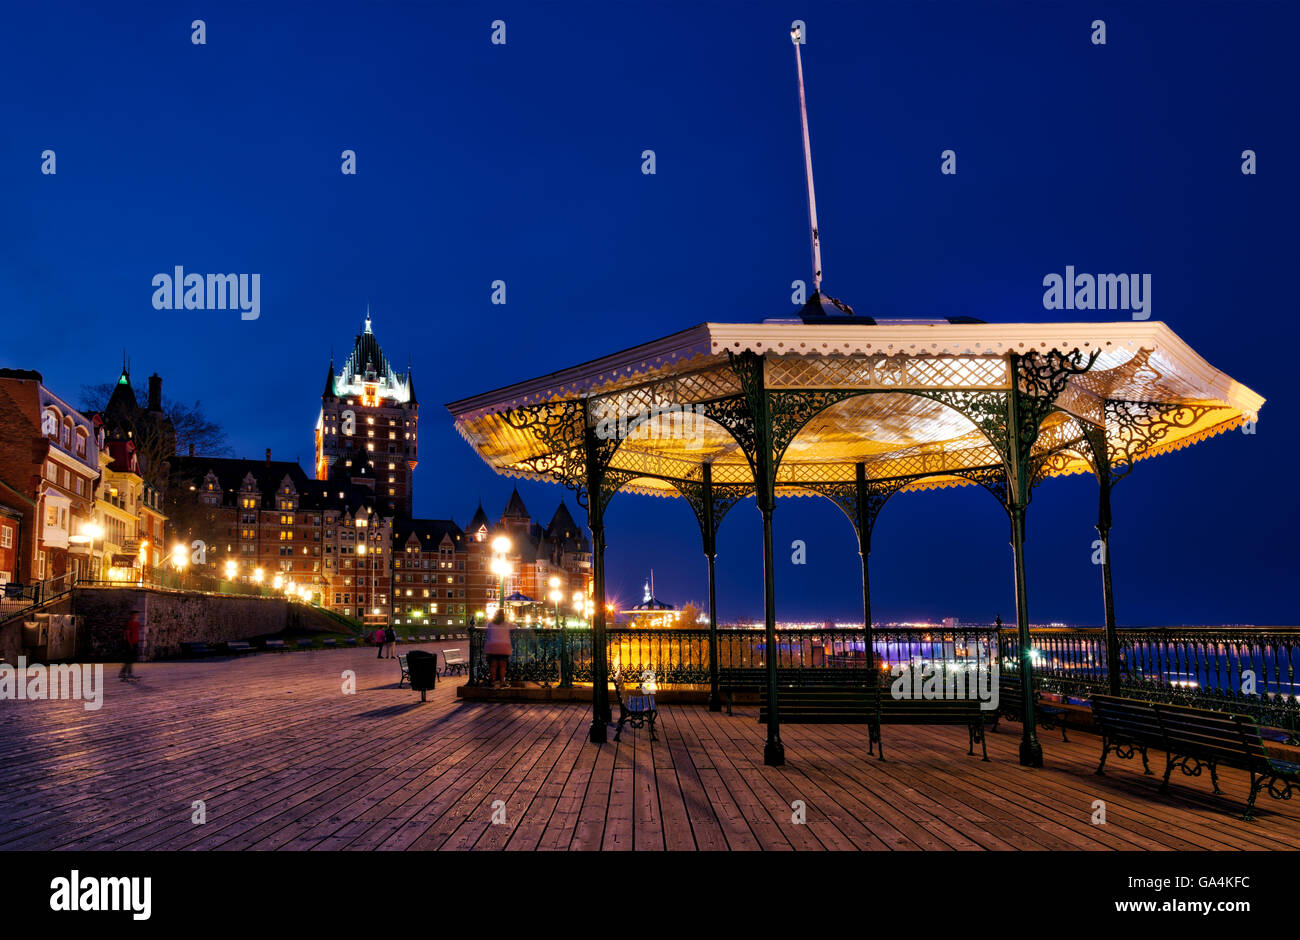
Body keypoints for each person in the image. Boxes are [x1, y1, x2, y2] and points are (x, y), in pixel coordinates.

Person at [484, 609, 513, 689]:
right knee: (502, 666)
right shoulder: (507, 624)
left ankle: (493, 682)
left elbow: (487, 629)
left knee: (493, 666)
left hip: (492, 646)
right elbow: (515, 626)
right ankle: (502, 683)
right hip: (503, 647)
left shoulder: (490, 624)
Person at [119, 611, 141, 681]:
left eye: (137, 615)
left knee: (131, 659)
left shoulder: (137, 623)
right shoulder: (129, 623)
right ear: (132, 615)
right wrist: (130, 643)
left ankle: (125, 673)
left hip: (135, 643)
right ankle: (125, 673)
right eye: (134, 615)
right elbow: (127, 634)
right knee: (129, 659)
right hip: (129, 643)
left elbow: (136, 633)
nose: (136, 616)